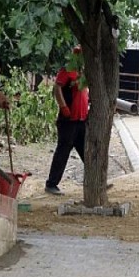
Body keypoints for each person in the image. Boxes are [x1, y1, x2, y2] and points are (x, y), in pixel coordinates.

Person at [45, 45, 89, 195]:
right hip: (68, 120)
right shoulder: (67, 70)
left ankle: (94, 183)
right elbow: (57, 88)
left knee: (87, 152)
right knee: (63, 151)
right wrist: (63, 106)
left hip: (81, 120)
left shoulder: (83, 72)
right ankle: (51, 184)